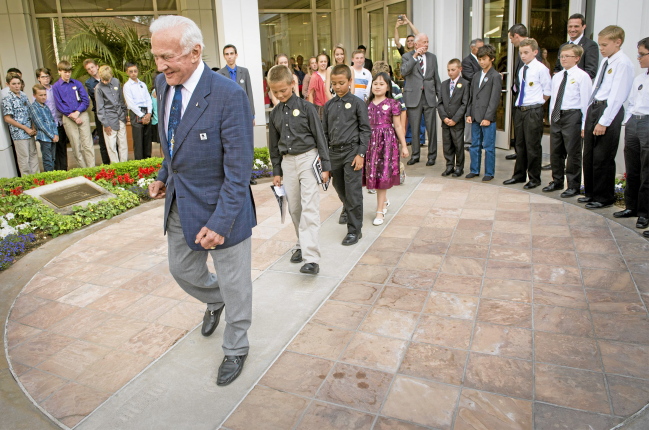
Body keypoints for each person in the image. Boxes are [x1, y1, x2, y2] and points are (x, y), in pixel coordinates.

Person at [147, 15, 256, 387]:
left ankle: (236, 346)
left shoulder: (229, 95)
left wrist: (221, 222)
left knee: (236, 283)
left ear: (195, 52)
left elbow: (239, 170)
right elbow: (172, 140)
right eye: (155, 57)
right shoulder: (163, 84)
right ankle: (215, 299)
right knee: (183, 270)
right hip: (181, 201)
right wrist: (164, 176)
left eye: (167, 57)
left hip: (226, 208)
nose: (160, 66)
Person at [268, 64, 330, 276]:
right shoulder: (275, 114)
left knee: (309, 206)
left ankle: (311, 258)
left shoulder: (307, 108)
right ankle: (301, 243)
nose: (279, 95)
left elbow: (320, 138)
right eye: (275, 92)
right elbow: (273, 146)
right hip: (287, 163)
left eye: (283, 90)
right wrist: (277, 171)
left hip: (308, 158)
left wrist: (326, 166)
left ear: (293, 84)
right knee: (295, 208)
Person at [581, 25, 634, 210]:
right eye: (600, 44)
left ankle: (604, 197)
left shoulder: (622, 63)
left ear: (617, 42)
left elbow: (618, 96)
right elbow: (597, 87)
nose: (601, 48)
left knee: (602, 156)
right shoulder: (606, 61)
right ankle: (591, 192)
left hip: (608, 110)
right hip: (595, 107)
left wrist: (604, 121)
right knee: (589, 155)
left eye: (605, 44)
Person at [323, 64, 371, 244]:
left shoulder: (358, 104)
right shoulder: (328, 106)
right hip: (334, 153)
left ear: (350, 81)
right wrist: (324, 157)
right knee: (339, 186)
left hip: (352, 152)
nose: (337, 87)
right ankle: (348, 207)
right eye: (334, 84)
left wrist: (361, 153)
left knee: (353, 192)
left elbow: (365, 130)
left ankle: (354, 229)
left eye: (341, 83)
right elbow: (324, 133)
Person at [542, 44, 592, 198]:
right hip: (558, 116)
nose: (563, 59)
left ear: (577, 58)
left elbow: (586, 102)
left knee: (573, 152)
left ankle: (573, 185)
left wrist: (584, 124)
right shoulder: (557, 76)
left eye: (567, 56)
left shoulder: (582, 76)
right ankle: (557, 180)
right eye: (561, 56)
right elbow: (554, 99)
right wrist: (551, 117)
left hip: (573, 115)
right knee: (556, 151)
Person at [503, 38, 551, 189]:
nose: (523, 56)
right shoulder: (523, 69)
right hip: (520, 109)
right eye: (521, 53)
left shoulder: (541, 69)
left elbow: (547, 91)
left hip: (533, 110)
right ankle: (519, 175)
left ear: (535, 52)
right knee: (520, 145)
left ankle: (534, 178)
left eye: (526, 53)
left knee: (532, 146)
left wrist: (537, 104)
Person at [365, 72, 409, 226]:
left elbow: (397, 125)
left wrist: (403, 145)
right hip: (371, 144)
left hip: (387, 143)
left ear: (388, 87)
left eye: (381, 84)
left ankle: (379, 211)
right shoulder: (367, 104)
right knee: (375, 174)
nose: (377, 86)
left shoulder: (392, 103)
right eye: (375, 83)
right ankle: (384, 201)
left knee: (383, 175)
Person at [614, 37, 649, 230]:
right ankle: (631, 207)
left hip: (648, 123)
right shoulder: (640, 78)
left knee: (647, 170)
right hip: (634, 123)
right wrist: (628, 122)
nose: (638, 58)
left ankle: (644, 213)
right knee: (633, 168)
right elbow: (632, 103)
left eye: (642, 54)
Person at [217, 44, 258, 185]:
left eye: (231, 53)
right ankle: (235, 175)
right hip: (230, 116)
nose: (229, 56)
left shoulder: (244, 72)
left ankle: (249, 175)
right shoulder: (220, 74)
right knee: (233, 145)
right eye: (227, 54)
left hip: (244, 115)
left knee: (247, 145)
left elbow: (249, 93)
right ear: (224, 56)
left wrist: (252, 114)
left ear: (236, 55)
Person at [400, 33, 441, 166]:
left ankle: (432, 157)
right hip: (413, 97)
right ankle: (415, 155)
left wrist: (440, 98)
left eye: (427, 42)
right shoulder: (407, 57)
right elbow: (404, 72)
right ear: (416, 44)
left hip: (429, 97)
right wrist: (415, 56)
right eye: (424, 42)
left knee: (431, 128)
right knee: (415, 128)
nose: (426, 44)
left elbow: (436, 78)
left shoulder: (432, 57)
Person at [506, 24, 544, 161]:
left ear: (516, 36)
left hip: (532, 106)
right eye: (521, 53)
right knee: (520, 138)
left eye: (511, 38)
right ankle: (520, 161)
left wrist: (537, 101)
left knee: (531, 143)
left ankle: (532, 174)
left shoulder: (535, 56)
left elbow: (545, 89)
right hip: (520, 101)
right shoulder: (521, 54)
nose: (511, 41)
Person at [465, 45, 502, 181]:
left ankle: (489, 172)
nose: (481, 62)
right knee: (474, 145)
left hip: (487, 118)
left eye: (484, 59)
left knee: (488, 146)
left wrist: (488, 117)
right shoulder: (476, 76)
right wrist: (469, 113)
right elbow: (472, 96)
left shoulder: (495, 76)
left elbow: (494, 99)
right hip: (475, 115)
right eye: (480, 59)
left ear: (491, 59)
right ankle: (474, 169)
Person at [52, 60, 96, 168]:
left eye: (69, 71)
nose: (67, 74)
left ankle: (92, 168)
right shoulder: (56, 87)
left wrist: (77, 112)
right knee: (76, 145)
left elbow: (85, 100)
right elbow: (59, 105)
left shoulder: (77, 83)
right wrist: (73, 116)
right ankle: (83, 170)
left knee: (87, 144)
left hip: (81, 114)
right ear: (59, 72)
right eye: (65, 72)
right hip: (68, 117)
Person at [438, 59, 469, 177]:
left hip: (457, 121)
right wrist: (444, 117)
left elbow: (464, 104)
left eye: (453, 70)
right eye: (448, 70)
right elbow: (440, 103)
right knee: (447, 144)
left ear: (460, 69)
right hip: (446, 121)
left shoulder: (465, 84)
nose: (450, 72)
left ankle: (459, 167)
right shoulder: (444, 84)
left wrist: (455, 119)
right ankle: (449, 165)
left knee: (458, 145)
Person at [3, 74, 38, 175]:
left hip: (30, 132)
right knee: (24, 159)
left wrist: (32, 127)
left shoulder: (23, 95)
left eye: (18, 83)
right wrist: (25, 128)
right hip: (19, 134)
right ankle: (28, 183)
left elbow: (29, 111)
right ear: (8, 84)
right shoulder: (7, 98)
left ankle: (37, 180)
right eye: (14, 84)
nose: (17, 86)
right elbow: (7, 118)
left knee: (33, 156)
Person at [35, 67, 68, 170]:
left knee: (61, 149)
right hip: (48, 127)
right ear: (38, 78)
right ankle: (55, 174)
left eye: (47, 76)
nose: (46, 79)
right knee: (50, 154)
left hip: (58, 123)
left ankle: (64, 171)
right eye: (43, 77)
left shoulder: (55, 88)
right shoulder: (37, 92)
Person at [95, 65, 128, 163]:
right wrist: (105, 124)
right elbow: (100, 108)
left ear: (111, 75)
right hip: (109, 119)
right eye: (103, 80)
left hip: (120, 116)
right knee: (111, 146)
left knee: (123, 144)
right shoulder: (98, 88)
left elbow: (121, 99)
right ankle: (116, 166)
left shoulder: (116, 81)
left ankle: (124, 165)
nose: (106, 82)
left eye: (107, 79)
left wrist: (124, 113)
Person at [553, 13, 599, 79]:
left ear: (584, 27)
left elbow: (591, 72)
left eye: (576, 26)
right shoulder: (563, 46)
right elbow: (557, 68)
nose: (572, 29)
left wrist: (572, 81)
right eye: (570, 26)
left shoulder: (590, 45)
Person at [123, 62, 153, 160]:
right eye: (131, 71)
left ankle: (148, 162)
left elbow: (149, 99)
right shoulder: (127, 86)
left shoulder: (142, 84)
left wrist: (148, 113)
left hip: (146, 111)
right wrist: (142, 115)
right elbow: (130, 103)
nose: (133, 73)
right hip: (136, 112)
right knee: (138, 140)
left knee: (147, 140)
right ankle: (140, 165)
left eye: (135, 71)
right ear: (127, 72)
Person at [83, 59, 110, 165]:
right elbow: (96, 96)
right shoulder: (89, 83)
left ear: (97, 66)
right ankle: (106, 163)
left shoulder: (106, 77)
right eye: (88, 69)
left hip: (111, 111)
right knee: (102, 140)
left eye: (92, 67)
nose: (91, 70)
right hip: (99, 112)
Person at [30, 84, 58, 172]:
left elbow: (52, 121)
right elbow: (41, 125)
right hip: (45, 138)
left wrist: (56, 134)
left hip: (53, 137)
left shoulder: (45, 106)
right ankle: (49, 178)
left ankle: (53, 176)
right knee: (47, 160)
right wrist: (52, 135)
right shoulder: (34, 107)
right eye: (40, 95)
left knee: (53, 158)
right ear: (34, 96)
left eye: (45, 95)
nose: (43, 97)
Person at [307, 53, 329, 118]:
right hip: (320, 107)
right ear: (317, 63)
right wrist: (312, 109)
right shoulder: (315, 76)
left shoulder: (330, 74)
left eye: (325, 61)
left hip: (330, 104)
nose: (323, 63)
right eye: (321, 61)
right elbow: (311, 93)